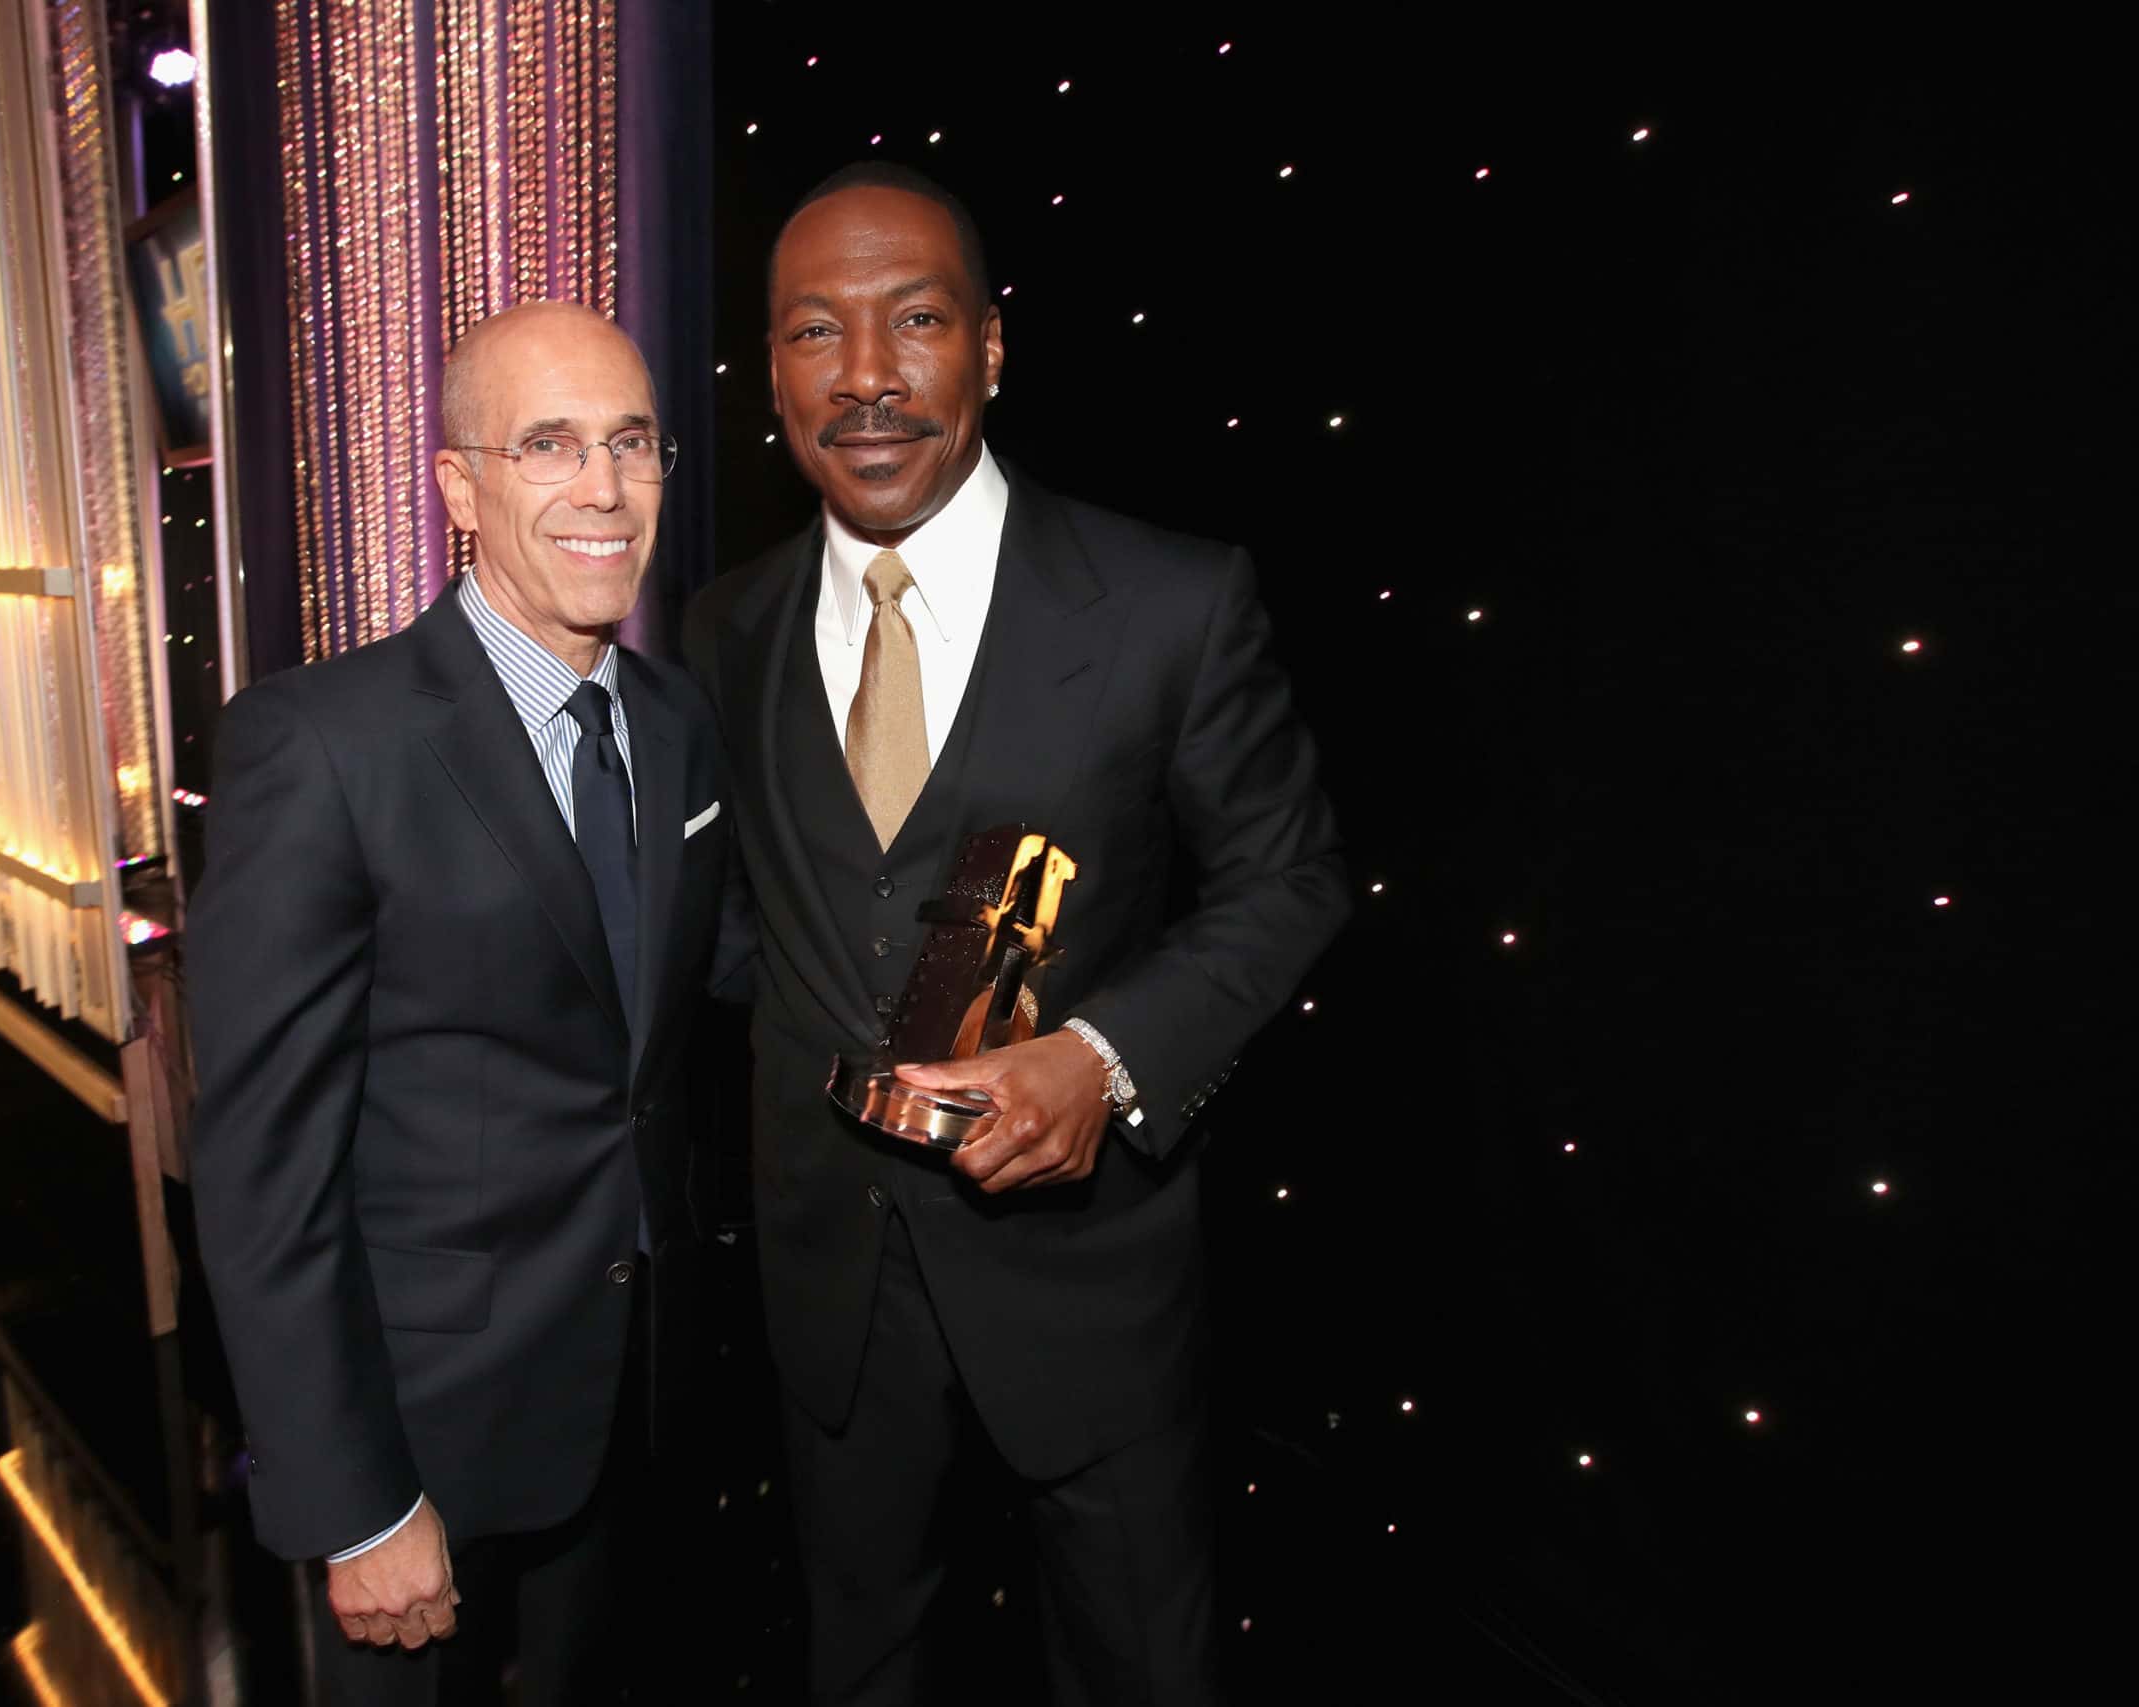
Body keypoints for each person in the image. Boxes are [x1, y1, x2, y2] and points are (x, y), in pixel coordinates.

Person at [682, 165, 1352, 1706]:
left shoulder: (1171, 602)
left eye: (914, 321)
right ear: (772, 372)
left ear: (990, 346)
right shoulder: (729, 628)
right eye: (813, 333)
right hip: (828, 1288)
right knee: (862, 1662)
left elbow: (1292, 875)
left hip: (1089, 1281)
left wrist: (1108, 1056)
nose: (864, 375)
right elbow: (748, 921)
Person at [189, 301, 745, 1704]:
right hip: (416, 1442)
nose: (603, 490)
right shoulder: (320, 746)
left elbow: (693, 992)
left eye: (632, 444)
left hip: (632, 1401)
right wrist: (353, 1502)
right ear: (458, 487)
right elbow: (263, 1173)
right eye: (547, 445)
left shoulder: (674, 722)